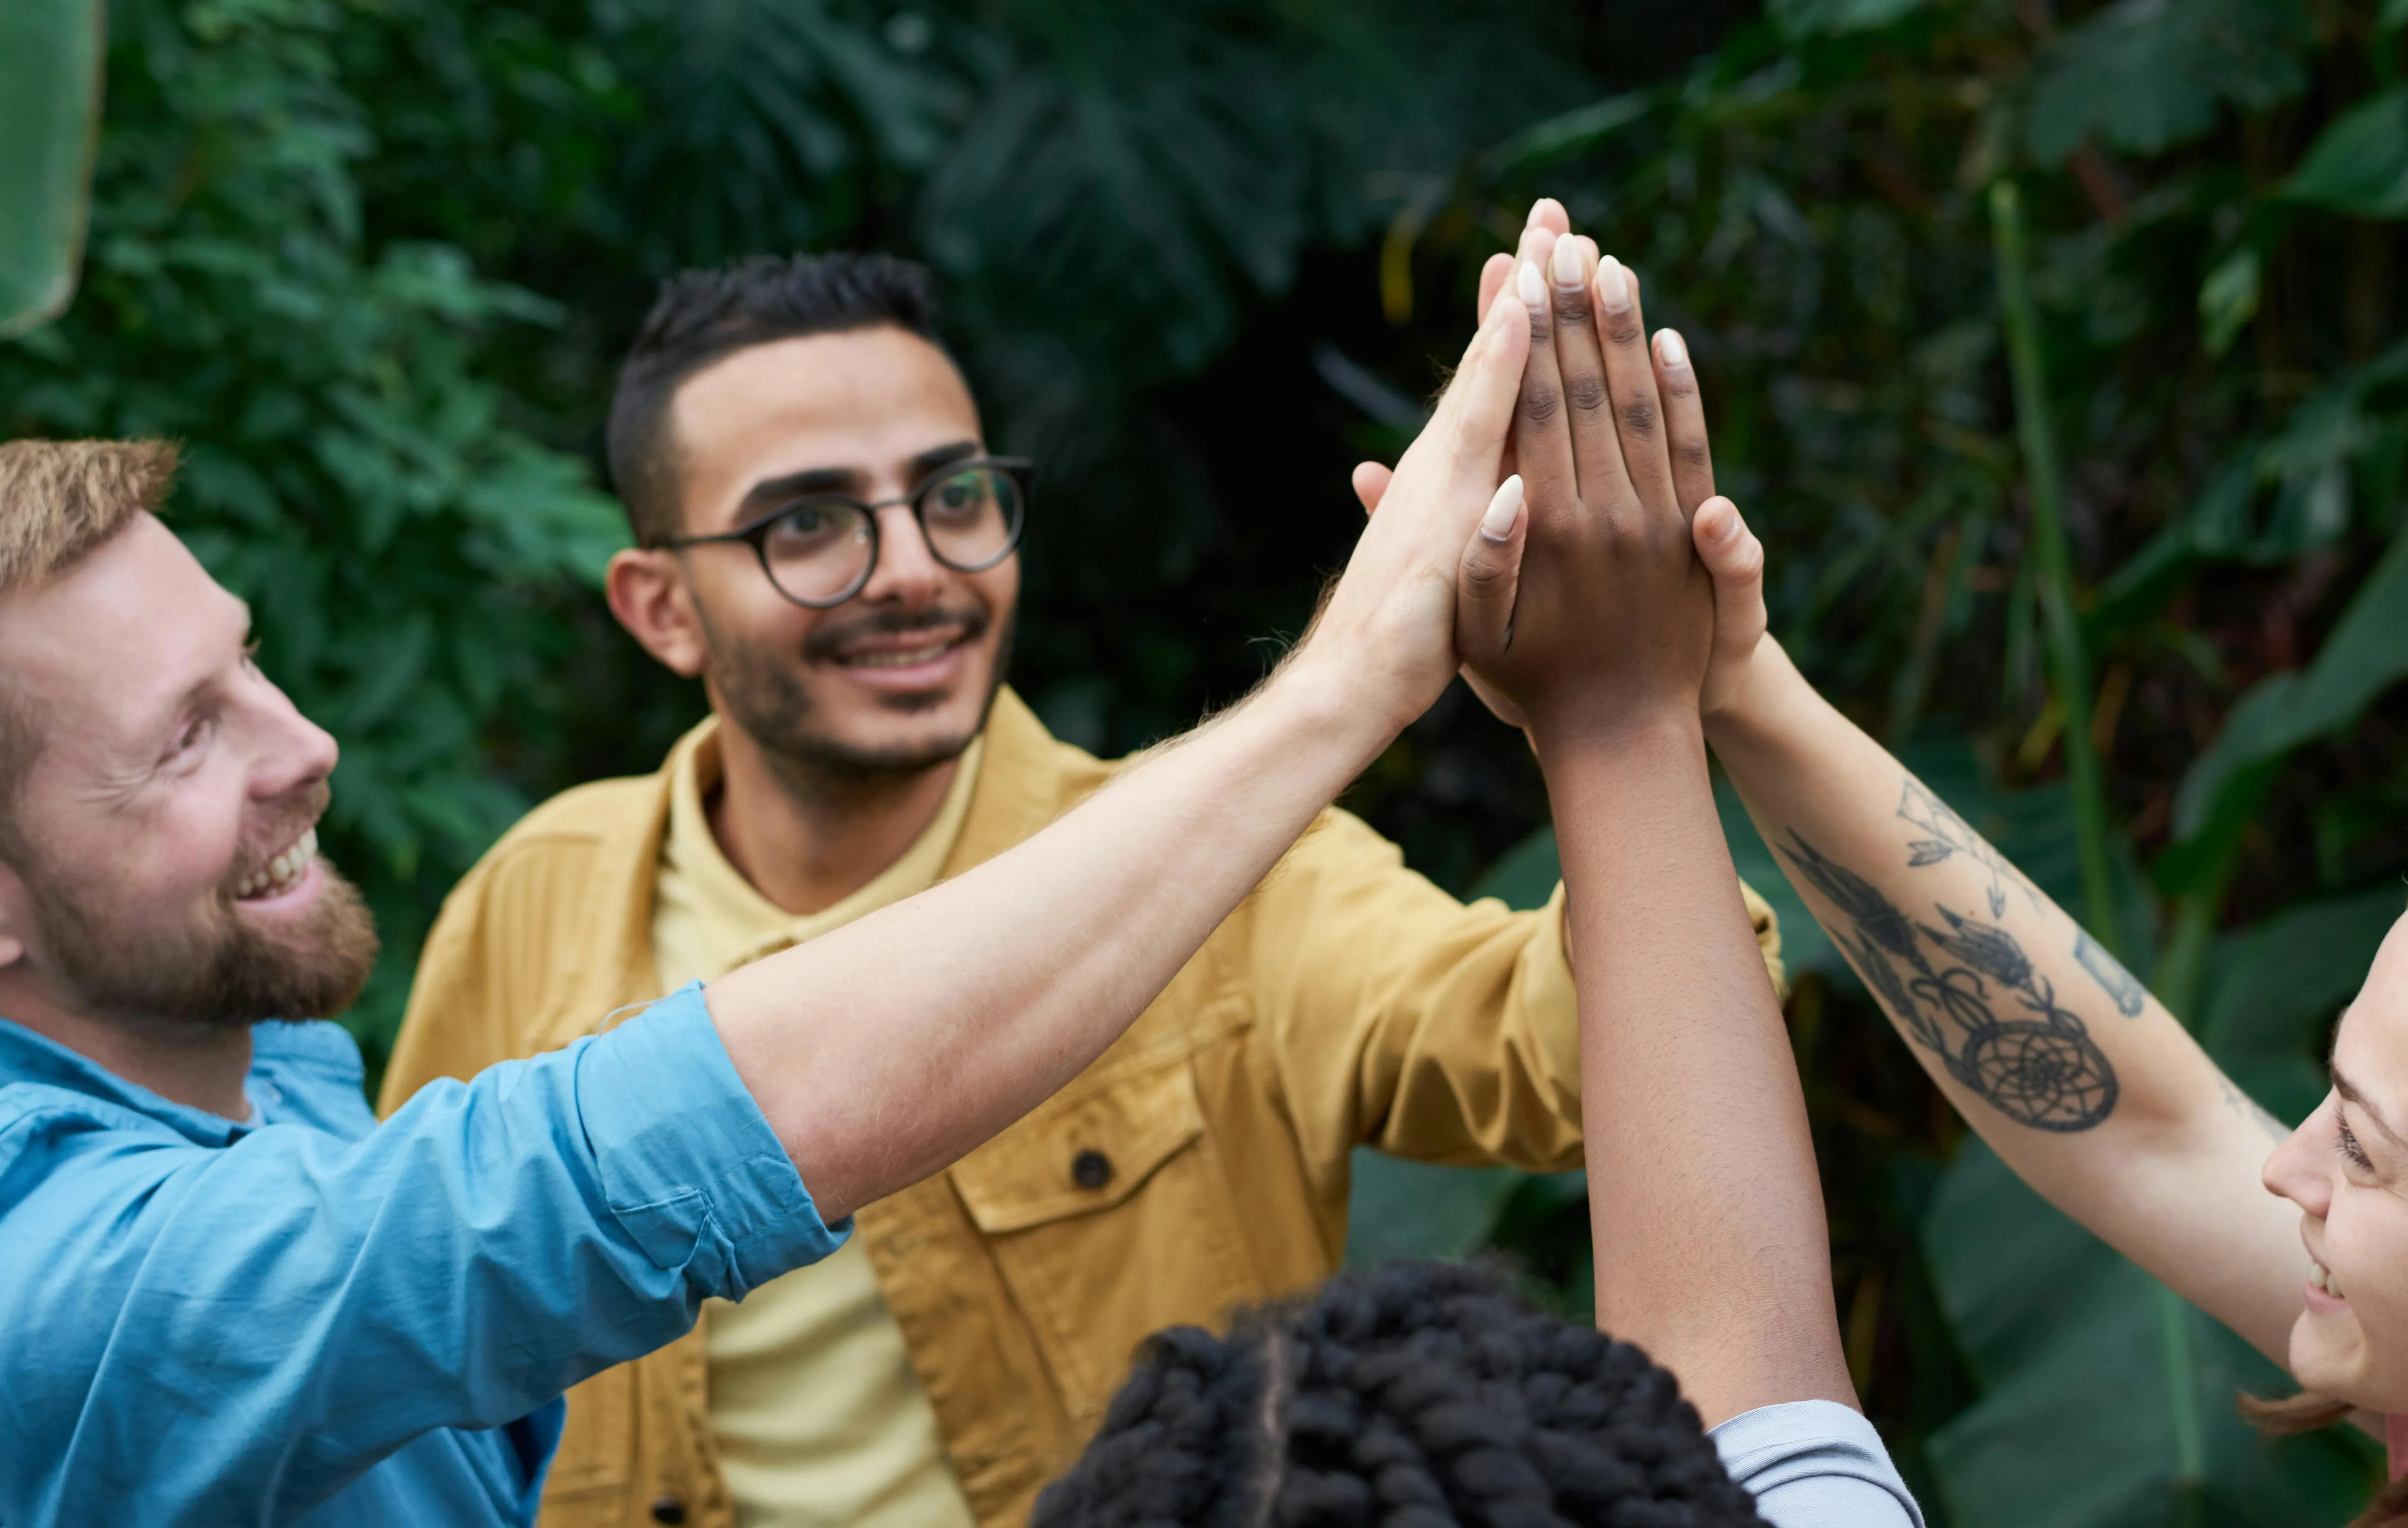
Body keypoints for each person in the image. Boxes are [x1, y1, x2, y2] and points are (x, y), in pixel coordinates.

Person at [0, 279, 1552, 1526]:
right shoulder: (75, 1286)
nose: (313, 746)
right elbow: (555, 1197)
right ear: (658, 606)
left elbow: (1559, 1046)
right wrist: (1347, 684)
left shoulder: (279, 1077)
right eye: (184, 737)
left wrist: (1641, 701)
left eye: (250, 664)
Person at [376, 252, 1785, 1528]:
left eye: (953, 495)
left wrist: (1612, 705)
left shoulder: (1236, 872)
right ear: (660, 607)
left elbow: (1554, 1051)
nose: (916, 571)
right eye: (807, 525)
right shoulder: (532, 907)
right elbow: (414, 1364)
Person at [1612, 297, 2408, 1526]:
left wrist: (1620, 726)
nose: (2283, 1166)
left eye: (2363, 1147)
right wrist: (1736, 679)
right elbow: (2151, 1126)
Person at [1029, 218, 1923, 1528]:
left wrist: (1376, 686)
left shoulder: (1276, 897)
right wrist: (1624, 711)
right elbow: (1745, 1372)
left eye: (954, 493)